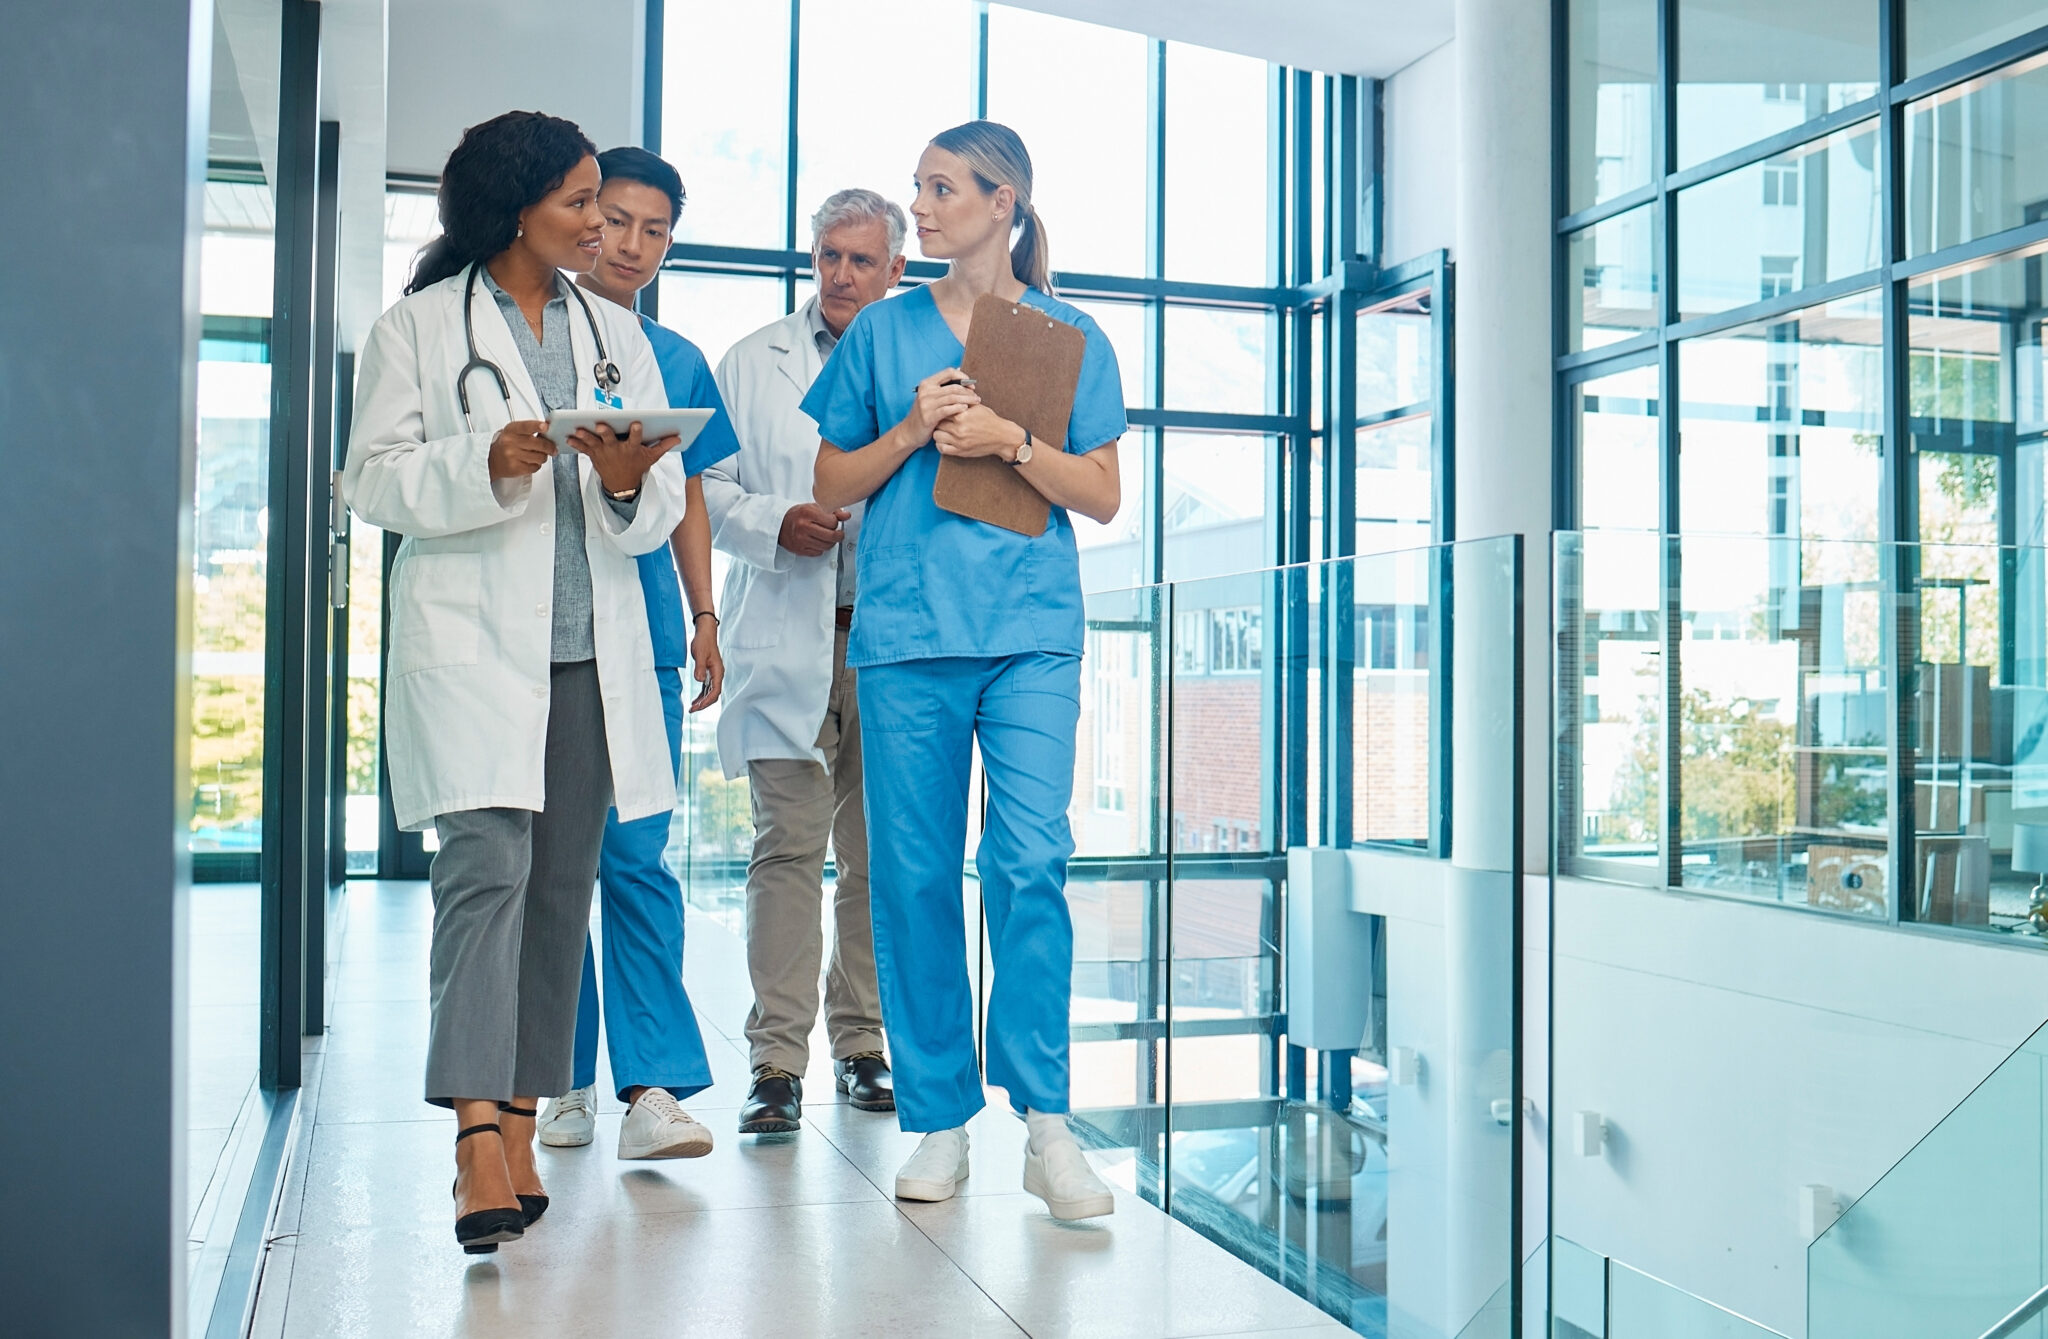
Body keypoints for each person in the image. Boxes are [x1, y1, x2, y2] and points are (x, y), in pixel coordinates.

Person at [342, 111, 687, 1252]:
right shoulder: (418, 330)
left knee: (560, 886)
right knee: (483, 870)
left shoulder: (612, 332)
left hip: (589, 656)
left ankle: (526, 1116)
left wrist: (633, 479)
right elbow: (372, 481)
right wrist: (476, 460)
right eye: (582, 203)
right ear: (515, 206)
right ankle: (472, 1130)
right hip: (474, 650)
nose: (601, 225)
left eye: (602, 203)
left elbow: (663, 504)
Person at [804, 121, 1123, 1221]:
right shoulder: (884, 331)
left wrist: (1008, 444)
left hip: (1030, 628)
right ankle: (940, 1118)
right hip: (904, 636)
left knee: (1030, 859)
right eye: (919, 188)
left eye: (941, 190)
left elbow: (1100, 493)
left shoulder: (1070, 333)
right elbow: (833, 476)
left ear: (1005, 200)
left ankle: (1045, 1121)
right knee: (913, 878)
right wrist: (910, 429)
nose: (922, 209)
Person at [531, 146, 739, 1161]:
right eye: (616, 219)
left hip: (644, 631)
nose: (633, 245)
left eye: (655, 230)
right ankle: (561, 1077)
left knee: (635, 854)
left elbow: (691, 494)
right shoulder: (522, 340)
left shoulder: (676, 357)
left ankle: (651, 1087)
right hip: (534, 632)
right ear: (577, 216)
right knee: (550, 861)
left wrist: (703, 616)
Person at [703, 189, 907, 1134]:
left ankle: (862, 1045)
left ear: (896, 269)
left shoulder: (923, 360)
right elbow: (704, 491)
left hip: (894, 645)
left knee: (876, 858)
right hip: (788, 633)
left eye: (862, 261)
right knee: (787, 850)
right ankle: (776, 1062)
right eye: (828, 256)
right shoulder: (752, 364)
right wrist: (771, 521)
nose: (841, 276)